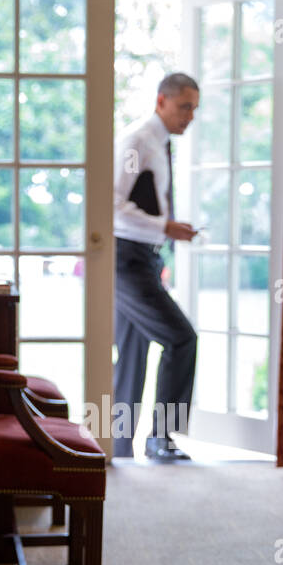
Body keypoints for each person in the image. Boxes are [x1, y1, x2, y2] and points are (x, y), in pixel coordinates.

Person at [113, 72, 200, 462]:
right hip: (124, 260)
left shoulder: (160, 144)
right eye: (184, 107)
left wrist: (162, 235)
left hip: (143, 260)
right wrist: (162, 227)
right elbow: (109, 206)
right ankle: (160, 438)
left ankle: (117, 449)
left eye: (194, 109)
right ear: (160, 101)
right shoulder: (137, 141)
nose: (190, 116)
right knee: (181, 338)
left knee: (132, 355)